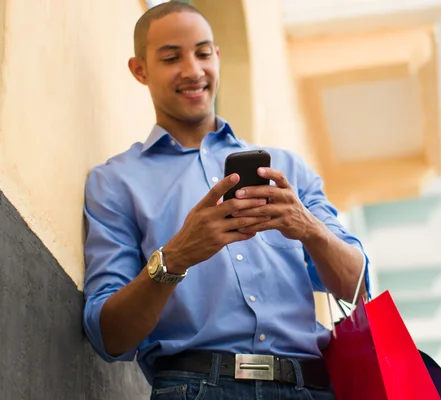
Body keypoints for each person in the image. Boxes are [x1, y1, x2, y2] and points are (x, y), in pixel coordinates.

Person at [82, 2, 370, 399]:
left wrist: (308, 228)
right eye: (171, 57)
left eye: (203, 53)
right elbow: (108, 336)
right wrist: (175, 257)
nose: (193, 70)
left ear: (217, 57)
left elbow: (357, 287)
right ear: (140, 70)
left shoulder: (288, 169)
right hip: (194, 387)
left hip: (312, 387)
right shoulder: (115, 182)